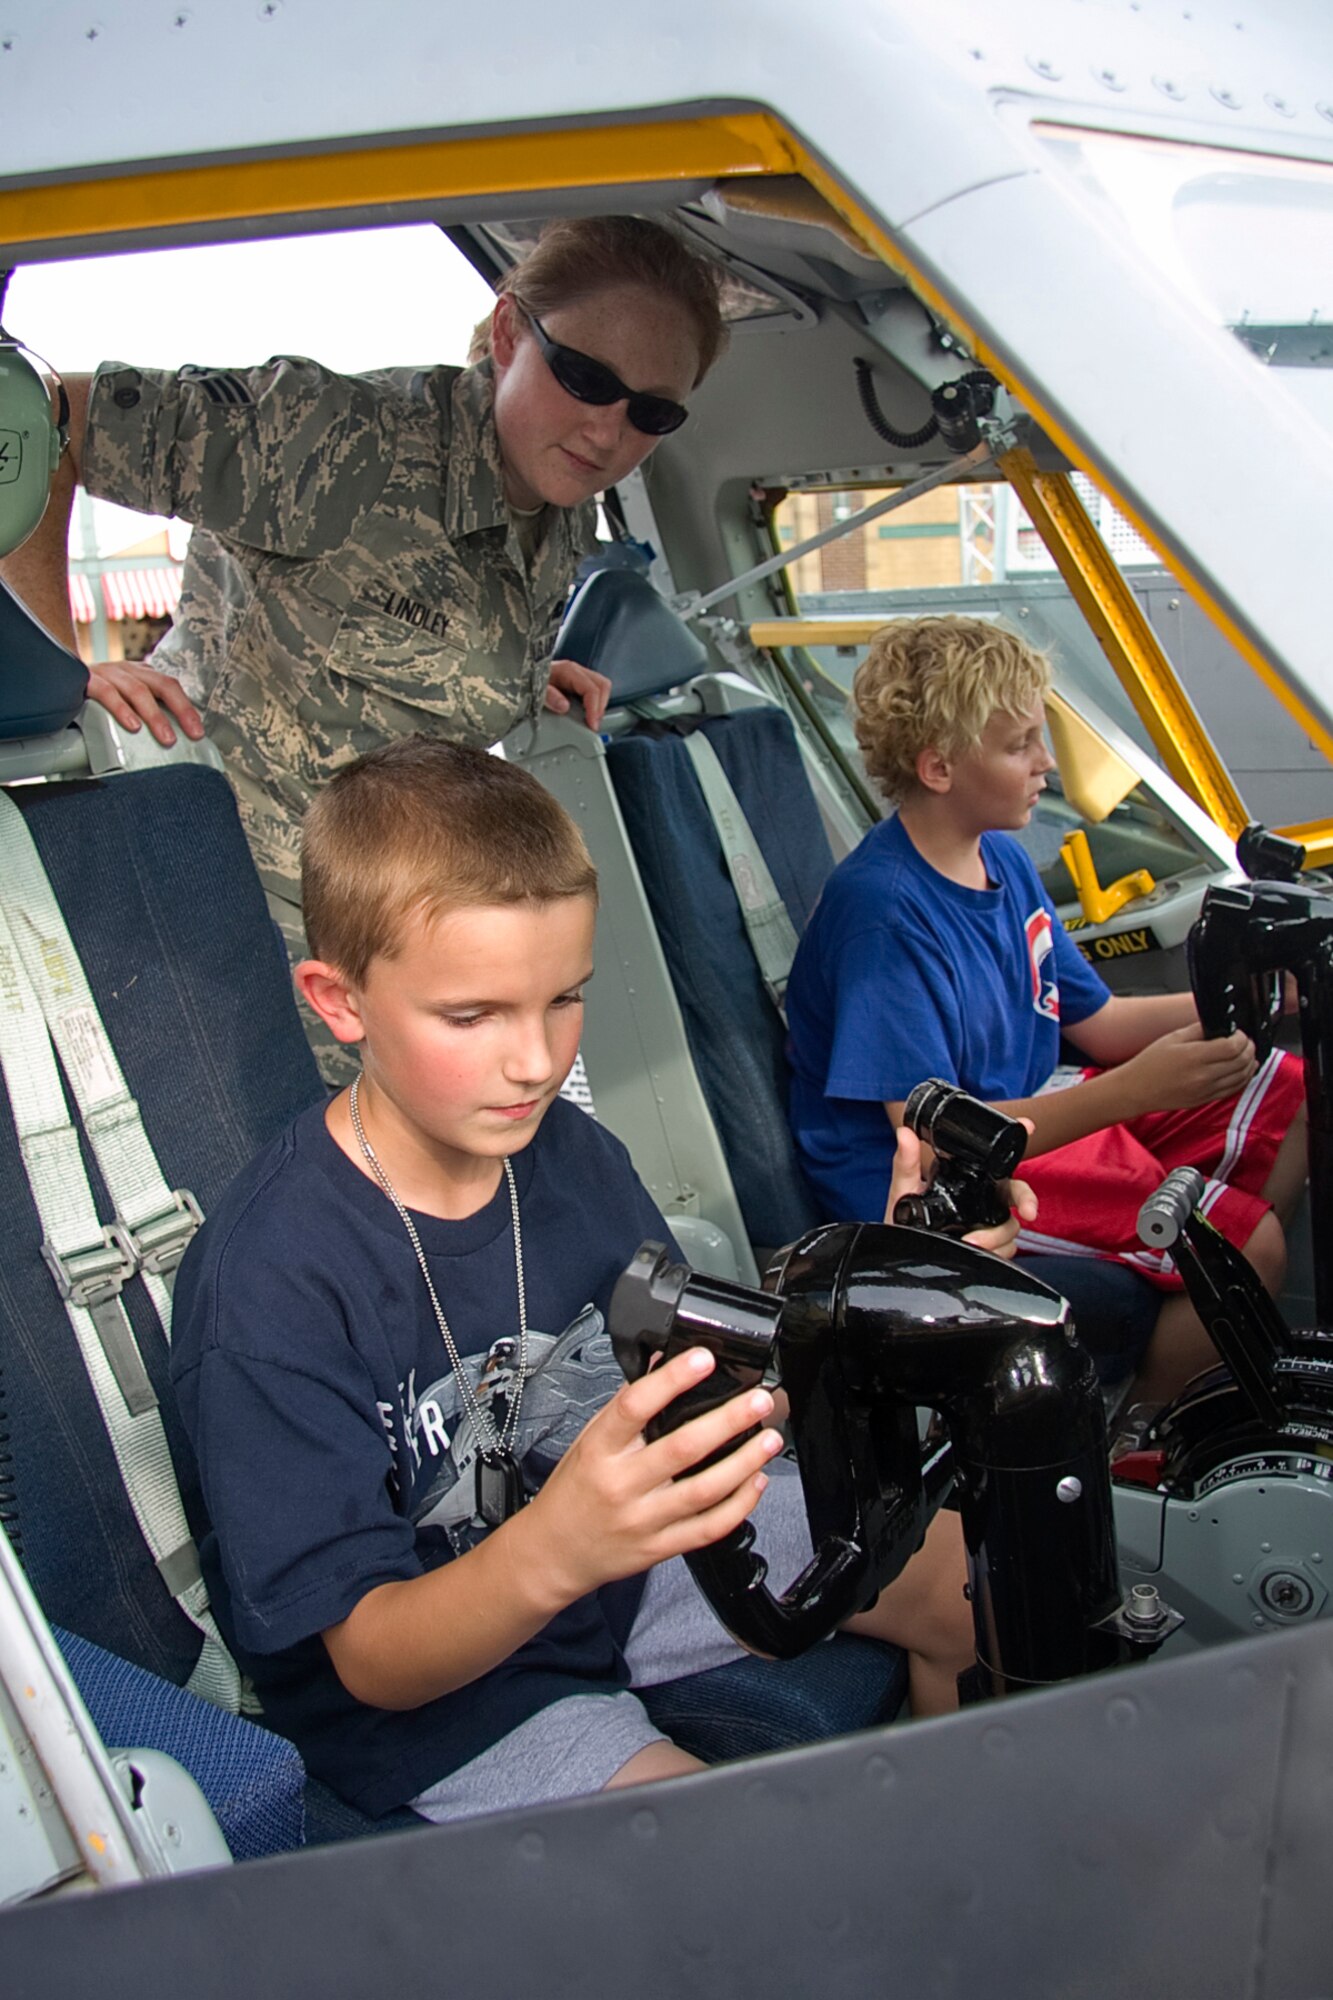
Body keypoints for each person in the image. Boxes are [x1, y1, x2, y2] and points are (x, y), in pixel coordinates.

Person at [168, 736, 1022, 1824]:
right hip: (455, 1679)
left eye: (562, 998)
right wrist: (558, 1547)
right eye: (472, 1016)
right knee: (744, 1867)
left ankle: (962, 1845)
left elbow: (696, 1363)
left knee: (979, 1583)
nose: (535, 1058)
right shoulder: (272, 1283)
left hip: (619, 1557)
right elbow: (370, 1660)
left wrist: (875, 1294)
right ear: (340, 1002)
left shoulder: (570, 1159)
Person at [0, 216, 725, 1077]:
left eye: (651, 412)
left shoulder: (558, 506)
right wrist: (64, 663)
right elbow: (45, 417)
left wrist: (525, 675)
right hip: (216, 931)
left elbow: (411, 648)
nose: (609, 432)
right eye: (581, 377)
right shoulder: (338, 438)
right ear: (506, 334)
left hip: (377, 937)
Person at [785, 616, 1308, 1410]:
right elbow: (932, 1146)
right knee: (1245, 1243)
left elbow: (1096, 1025)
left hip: (1034, 1118)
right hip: (935, 1183)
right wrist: (1134, 1092)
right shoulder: (883, 917)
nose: (1043, 764)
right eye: (1019, 744)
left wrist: (1254, 992)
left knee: (1295, 1088)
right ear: (937, 768)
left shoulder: (999, 858)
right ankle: (1132, 1442)